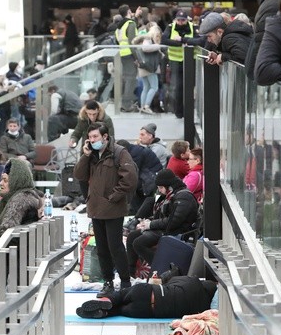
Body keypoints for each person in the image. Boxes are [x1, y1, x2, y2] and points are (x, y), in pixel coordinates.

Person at [73, 122, 138, 297]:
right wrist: (85, 156)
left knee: (115, 246)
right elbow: (79, 175)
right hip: (95, 207)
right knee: (101, 247)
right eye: (90, 137)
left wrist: (114, 197)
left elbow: (130, 178)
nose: (92, 140)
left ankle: (125, 282)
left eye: (95, 137)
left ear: (105, 137)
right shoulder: (91, 155)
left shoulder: (119, 152)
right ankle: (107, 281)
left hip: (113, 208)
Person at [125, 169, 199, 278]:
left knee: (139, 243)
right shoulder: (172, 195)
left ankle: (161, 268)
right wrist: (147, 222)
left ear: (168, 186)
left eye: (160, 188)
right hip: (167, 229)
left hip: (177, 232)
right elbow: (164, 216)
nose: (159, 191)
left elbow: (173, 221)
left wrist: (150, 225)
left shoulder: (184, 197)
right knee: (132, 236)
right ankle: (130, 273)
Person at [76, 276, 217, 319]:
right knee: (119, 310)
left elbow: (170, 279)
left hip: (146, 292)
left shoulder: (191, 282)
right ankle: (105, 312)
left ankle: (107, 301)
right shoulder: (201, 309)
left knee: (120, 295)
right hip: (147, 311)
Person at [0, 158, 44, 247]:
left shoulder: (24, 204)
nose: (0, 183)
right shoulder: (6, 200)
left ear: (16, 182)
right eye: (1, 179)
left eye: (5, 180)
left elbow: (16, 242)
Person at [161, 10, 203, 119]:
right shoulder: (170, 27)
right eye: (178, 20)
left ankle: (189, 111)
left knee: (190, 87)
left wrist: (184, 40)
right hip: (176, 61)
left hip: (191, 61)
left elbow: (199, 40)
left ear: (186, 19)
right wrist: (181, 43)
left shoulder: (193, 27)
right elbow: (164, 40)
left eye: (183, 20)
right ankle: (179, 112)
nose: (180, 22)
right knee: (178, 88)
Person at [116, 139, 163, 216]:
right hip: (149, 173)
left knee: (132, 184)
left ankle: (135, 211)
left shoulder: (134, 153)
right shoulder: (132, 150)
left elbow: (133, 171)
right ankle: (136, 210)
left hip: (151, 176)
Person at [115, 4, 142, 113]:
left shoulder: (120, 26)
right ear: (129, 11)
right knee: (130, 80)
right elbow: (132, 42)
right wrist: (137, 58)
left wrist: (136, 16)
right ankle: (126, 105)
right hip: (130, 54)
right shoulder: (130, 24)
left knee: (126, 80)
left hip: (122, 53)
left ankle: (123, 103)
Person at [132, 25, 163, 114]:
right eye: (157, 35)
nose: (158, 37)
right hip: (149, 67)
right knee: (154, 87)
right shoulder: (148, 39)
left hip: (144, 66)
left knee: (146, 87)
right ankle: (146, 106)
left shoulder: (145, 39)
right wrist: (158, 46)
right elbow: (145, 48)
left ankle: (142, 107)